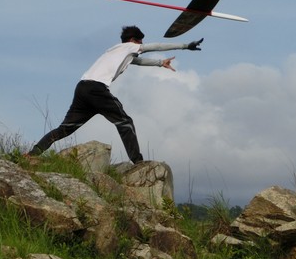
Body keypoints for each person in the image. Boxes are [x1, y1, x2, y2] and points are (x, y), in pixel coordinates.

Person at [26, 25, 203, 163]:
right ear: (133, 40)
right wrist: (185, 46)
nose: (141, 46)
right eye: (140, 43)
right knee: (125, 122)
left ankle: (33, 153)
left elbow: (137, 62)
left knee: (65, 129)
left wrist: (159, 63)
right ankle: (138, 162)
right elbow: (155, 46)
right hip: (96, 89)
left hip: (82, 88)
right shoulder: (129, 46)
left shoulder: (115, 50)